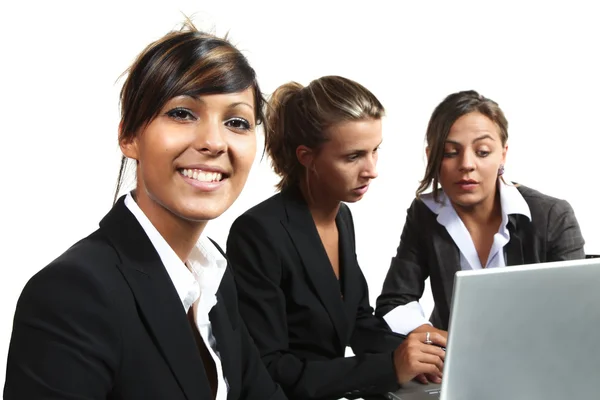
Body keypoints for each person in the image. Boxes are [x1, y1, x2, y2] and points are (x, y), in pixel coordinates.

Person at [4, 22, 286, 400]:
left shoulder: (212, 272)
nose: (214, 142)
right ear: (130, 136)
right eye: (183, 113)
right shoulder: (71, 294)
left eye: (236, 122)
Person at [226, 76, 447, 400]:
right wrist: (390, 366)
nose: (371, 169)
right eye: (353, 156)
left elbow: (357, 320)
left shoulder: (342, 218)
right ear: (307, 157)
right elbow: (269, 368)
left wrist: (423, 350)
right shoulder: (259, 233)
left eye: (374, 151)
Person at [375, 90, 586, 342]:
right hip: (452, 363)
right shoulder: (425, 213)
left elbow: (577, 314)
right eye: (451, 152)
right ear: (432, 157)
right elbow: (395, 302)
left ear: (502, 155)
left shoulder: (551, 216)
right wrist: (439, 340)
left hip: (539, 361)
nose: (466, 164)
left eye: (483, 151)